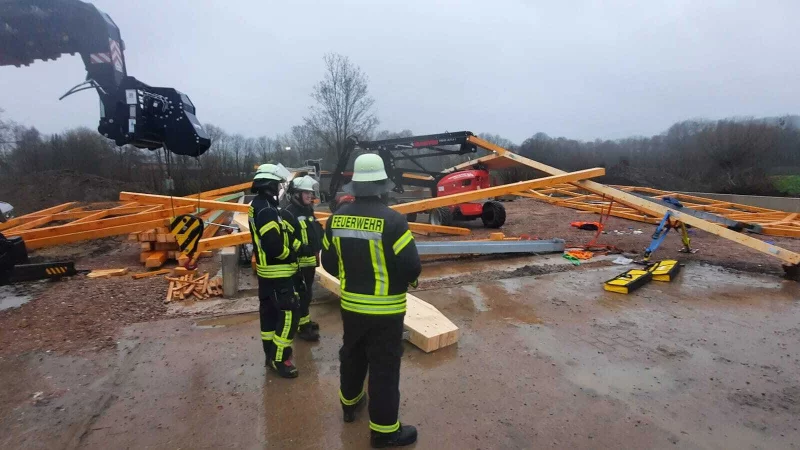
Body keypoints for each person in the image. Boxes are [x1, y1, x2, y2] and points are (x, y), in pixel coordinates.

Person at [321, 154, 421, 448]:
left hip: (351, 306)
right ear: (382, 185)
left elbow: (327, 261)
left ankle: (350, 405)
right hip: (386, 310)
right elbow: (411, 267)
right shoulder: (394, 221)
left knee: (352, 354)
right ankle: (385, 432)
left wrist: (351, 277)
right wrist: (405, 281)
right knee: (384, 367)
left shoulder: (336, 219)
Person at [249, 164, 301, 378]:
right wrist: (292, 253)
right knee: (290, 314)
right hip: (278, 274)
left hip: (266, 275)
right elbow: (274, 246)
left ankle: (270, 356)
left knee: (269, 318)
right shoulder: (268, 210)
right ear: (271, 185)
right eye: (278, 184)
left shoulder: (258, 205)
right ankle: (281, 358)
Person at [285, 175, 323, 341]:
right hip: (298, 263)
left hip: (309, 262)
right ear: (296, 194)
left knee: (307, 295)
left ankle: (305, 321)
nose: (310, 195)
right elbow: (287, 238)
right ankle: (302, 328)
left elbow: (314, 231)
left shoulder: (307, 210)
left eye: (310, 192)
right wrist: (302, 248)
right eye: (306, 192)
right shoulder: (288, 213)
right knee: (301, 295)